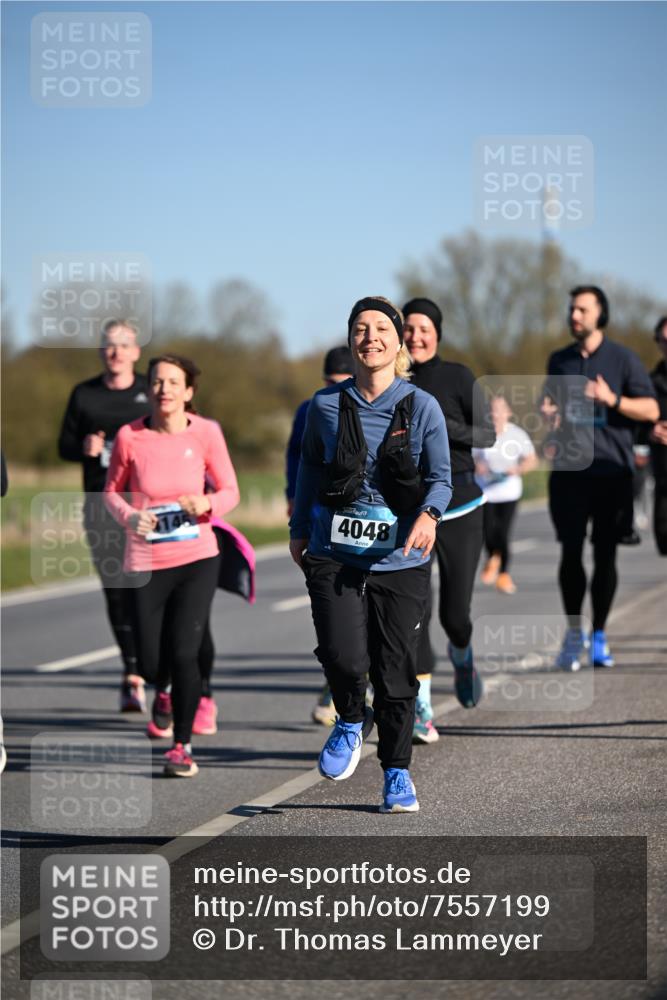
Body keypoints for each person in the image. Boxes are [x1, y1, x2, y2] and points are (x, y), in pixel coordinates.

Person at [290, 296, 452, 812]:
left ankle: (397, 774)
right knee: (343, 656)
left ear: (399, 341)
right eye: (361, 329)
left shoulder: (421, 406)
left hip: (400, 557)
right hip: (333, 550)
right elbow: (310, 472)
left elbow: (440, 479)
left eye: (382, 328)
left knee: (395, 669)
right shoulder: (324, 407)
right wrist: (298, 529)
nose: (370, 337)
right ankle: (349, 718)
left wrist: (428, 515)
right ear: (351, 339)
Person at [104, 354, 240, 777]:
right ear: (150, 389)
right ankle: (158, 690)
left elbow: (231, 490)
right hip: (145, 559)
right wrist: (129, 516)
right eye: (157, 382)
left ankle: (182, 746)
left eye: (173, 382)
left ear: (188, 391)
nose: (164, 389)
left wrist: (207, 502)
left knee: (185, 652)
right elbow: (111, 492)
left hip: (196, 556)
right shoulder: (129, 436)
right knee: (147, 662)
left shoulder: (206, 433)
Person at [541, 286, 659, 671]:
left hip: (612, 473)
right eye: (571, 309)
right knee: (570, 553)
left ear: (600, 314)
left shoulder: (623, 358)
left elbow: (651, 408)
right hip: (570, 474)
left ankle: (600, 635)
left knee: (605, 554)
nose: (574, 315)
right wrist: (549, 414)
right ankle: (574, 633)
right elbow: (551, 406)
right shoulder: (559, 360)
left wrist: (614, 401)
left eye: (581, 309)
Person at [403, 298, 495, 744]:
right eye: (409, 328)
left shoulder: (458, 376)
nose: (415, 336)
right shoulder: (392, 380)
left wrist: (439, 425)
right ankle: (421, 708)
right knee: (414, 613)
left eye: (424, 328)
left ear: (437, 332)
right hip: (409, 513)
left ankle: (463, 655)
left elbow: (489, 434)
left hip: (460, 507)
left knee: (454, 614)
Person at [58, 320, 151, 712]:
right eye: (108, 345)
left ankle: (153, 667)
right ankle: (132, 673)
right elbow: (63, 447)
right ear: (101, 352)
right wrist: (84, 446)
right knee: (116, 593)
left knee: (146, 591)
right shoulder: (84, 395)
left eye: (123, 344)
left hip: (149, 509)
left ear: (135, 352)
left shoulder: (151, 390)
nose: (116, 352)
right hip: (101, 506)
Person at [285, 345, 355, 726]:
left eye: (342, 381)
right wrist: (292, 497)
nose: (335, 388)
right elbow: (297, 455)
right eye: (329, 382)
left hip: (366, 525)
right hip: (320, 522)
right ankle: (335, 687)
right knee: (333, 618)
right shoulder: (312, 408)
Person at [473, 395, 537, 595]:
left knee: (502, 532)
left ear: (508, 412)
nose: (496, 414)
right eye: (492, 409)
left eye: (500, 409)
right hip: (486, 492)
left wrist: (517, 469)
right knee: (486, 533)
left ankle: (503, 575)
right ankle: (493, 557)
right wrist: (478, 466)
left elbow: (532, 460)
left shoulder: (518, 435)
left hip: (509, 491)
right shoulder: (481, 434)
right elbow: (471, 458)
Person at [647, 316, 667, 555]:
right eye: (663, 340)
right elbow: (634, 427)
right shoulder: (650, 383)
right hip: (664, 481)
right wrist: (649, 431)